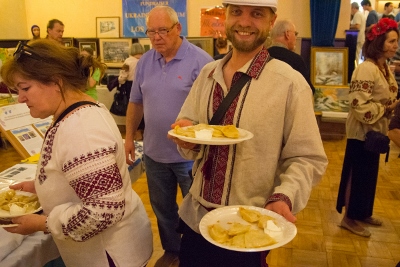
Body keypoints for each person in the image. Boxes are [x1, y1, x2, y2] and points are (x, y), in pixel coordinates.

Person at [168, 0, 328, 266]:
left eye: (256, 14)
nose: (244, 22)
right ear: (226, 17)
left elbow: (308, 157)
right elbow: (189, 125)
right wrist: (186, 136)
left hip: (248, 228)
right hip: (196, 219)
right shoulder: (207, 74)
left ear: (271, 20)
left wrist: (284, 196)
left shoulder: (289, 84)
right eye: (236, 12)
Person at [0, 39, 153, 266]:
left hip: (109, 255)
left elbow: (104, 210)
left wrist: (43, 224)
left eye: (25, 88)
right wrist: (43, 186)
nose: (21, 98)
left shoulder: (81, 128)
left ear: (55, 82)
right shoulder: (77, 111)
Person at [125, 6, 213, 267]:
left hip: (190, 157)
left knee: (196, 210)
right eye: (151, 31)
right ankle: (173, 251)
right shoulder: (145, 62)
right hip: (154, 154)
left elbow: (213, 112)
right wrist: (129, 137)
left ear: (178, 28)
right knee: (163, 210)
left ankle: (198, 255)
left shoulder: (202, 61)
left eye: (162, 30)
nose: (156, 37)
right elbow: (135, 102)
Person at [336, 18, 399, 237]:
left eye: (396, 42)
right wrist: (387, 108)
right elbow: (358, 104)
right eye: (391, 41)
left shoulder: (384, 68)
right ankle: (349, 218)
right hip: (361, 133)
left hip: (375, 133)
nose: (395, 46)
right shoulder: (366, 69)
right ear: (379, 41)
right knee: (357, 174)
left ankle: (362, 213)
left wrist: (388, 107)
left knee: (369, 175)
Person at [268, 19, 315, 94]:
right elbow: (308, 90)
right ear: (287, 34)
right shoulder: (296, 60)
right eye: (295, 34)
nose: (296, 37)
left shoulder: (260, 57)